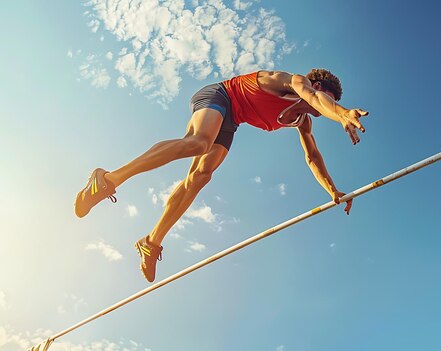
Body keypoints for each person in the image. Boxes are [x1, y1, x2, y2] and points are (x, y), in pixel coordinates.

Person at [74, 69, 368, 282]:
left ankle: (150, 241)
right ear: (316, 85)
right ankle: (108, 179)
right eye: (325, 99)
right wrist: (342, 114)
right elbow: (314, 96)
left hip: (232, 120)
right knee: (198, 142)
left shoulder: (302, 121)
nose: (320, 108)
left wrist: (332, 190)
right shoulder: (292, 83)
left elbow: (312, 156)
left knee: (201, 176)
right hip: (221, 95)